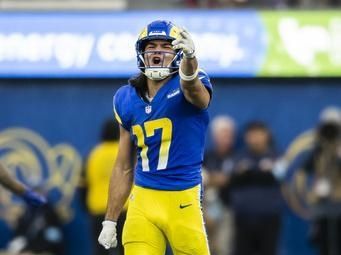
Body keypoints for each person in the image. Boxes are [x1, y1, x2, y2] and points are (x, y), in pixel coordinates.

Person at [98, 20, 212, 255]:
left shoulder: (189, 81)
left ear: (177, 53)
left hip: (182, 199)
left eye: (166, 46)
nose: (158, 52)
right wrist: (110, 219)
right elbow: (123, 165)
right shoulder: (125, 98)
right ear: (142, 52)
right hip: (142, 200)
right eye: (151, 47)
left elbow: (195, 92)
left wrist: (190, 59)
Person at [229, 121, 283, 255]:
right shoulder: (238, 157)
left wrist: (272, 170)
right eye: (252, 135)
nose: (255, 138)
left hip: (269, 219)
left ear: (266, 135)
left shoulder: (276, 156)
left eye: (259, 134)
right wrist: (240, 172)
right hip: (243, 219)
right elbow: (229, 179)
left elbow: (283, 175)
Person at [86, 119, 126, 255]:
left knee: (100, 251)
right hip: (124, 209)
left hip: (99, 211)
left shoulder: (93, 155)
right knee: (127, 249)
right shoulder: (125, 152)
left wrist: (89, 209)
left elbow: (82, 187)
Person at [203, 115, 236, 255]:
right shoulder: (207, 156)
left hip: (228, 208)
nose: (226, 138)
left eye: (229, 134)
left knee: (223, 248)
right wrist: (216, 179)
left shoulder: (237, 155)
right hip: (206, 208)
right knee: (205, 247)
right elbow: (201, 178)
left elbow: (234, 178)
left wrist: (214, 178)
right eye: (222, 134)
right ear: (214, 136)